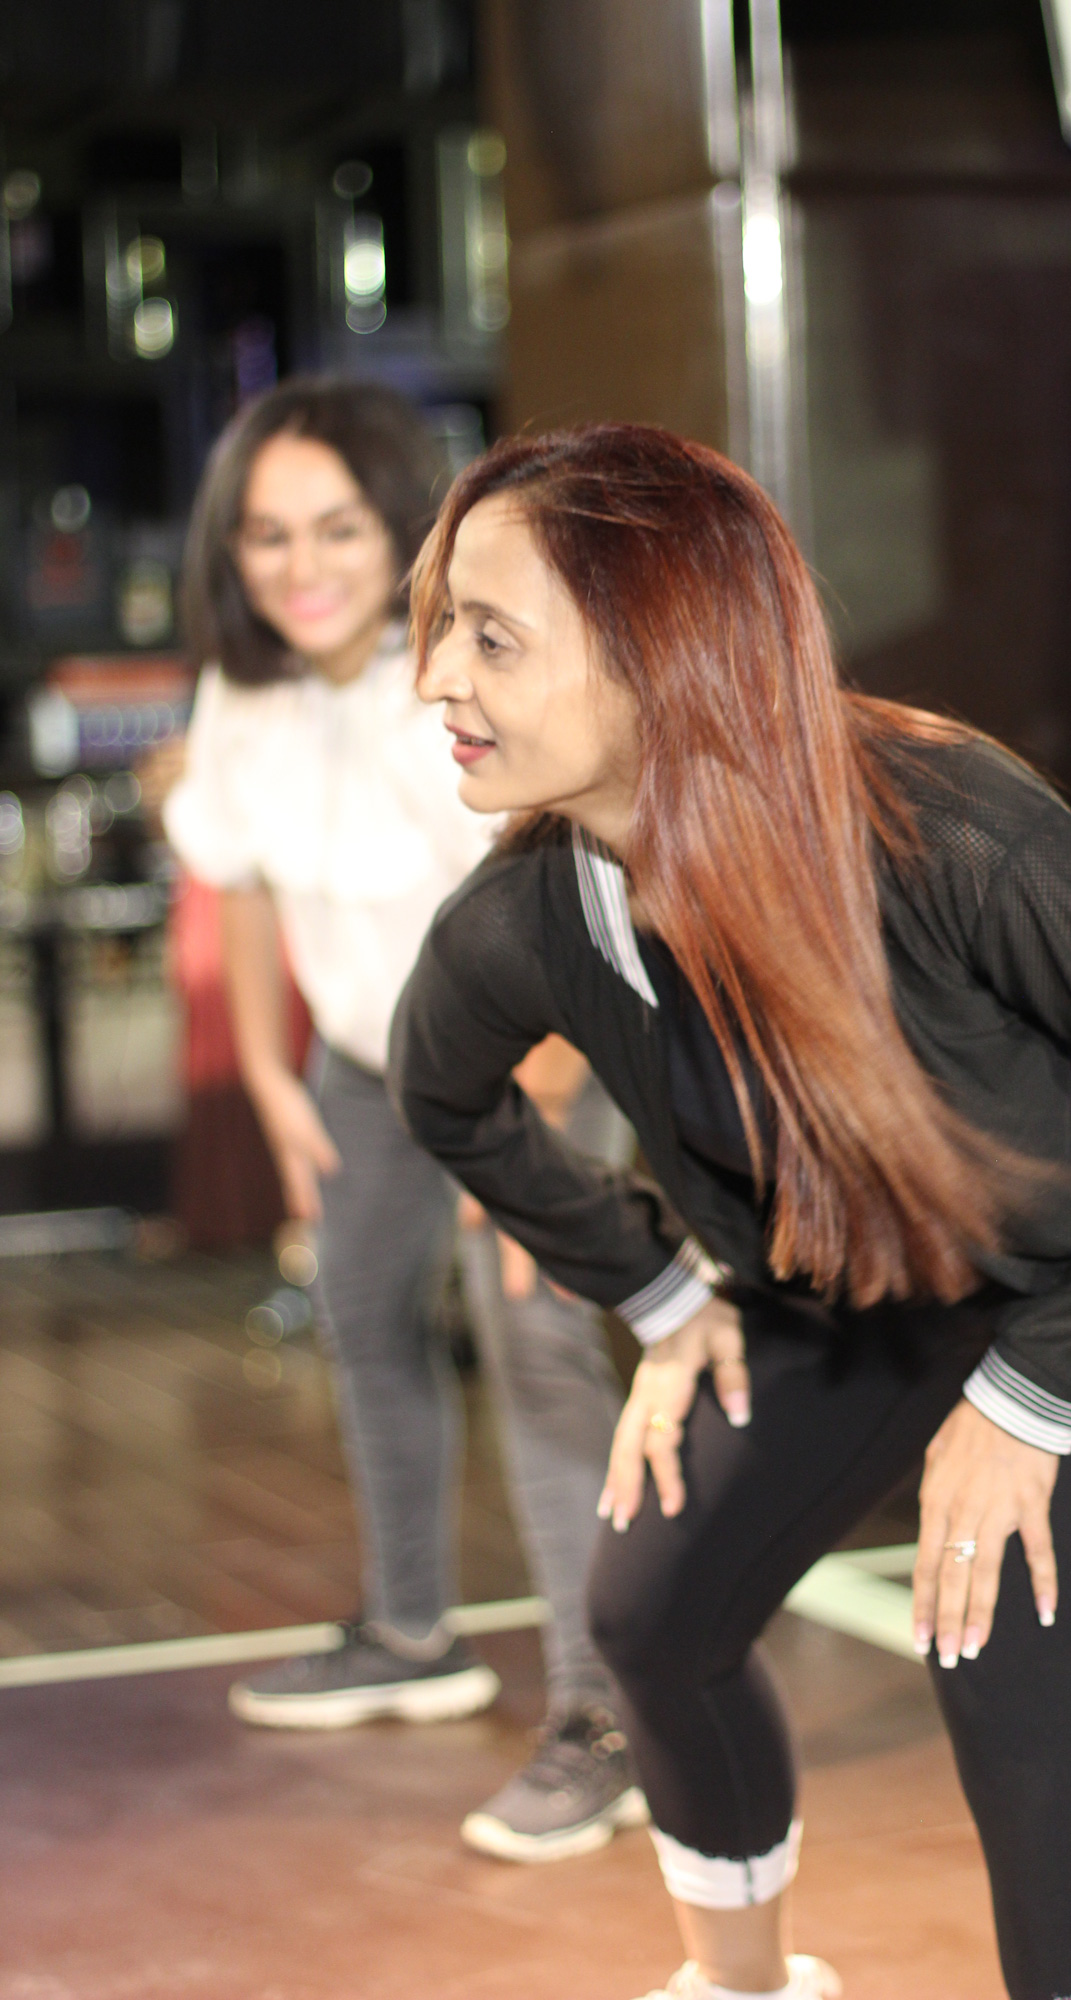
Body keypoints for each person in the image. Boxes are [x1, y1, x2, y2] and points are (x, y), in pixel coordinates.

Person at [388, 423, 1071, 2000]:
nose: (433, 680)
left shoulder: (943, 823)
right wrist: (661, 1299)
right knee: (654, 1609)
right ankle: (745, 1987)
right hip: (869, 1273)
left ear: (657, 655)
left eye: (491, 638)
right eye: (442, 629)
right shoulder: (526, 922)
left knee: (1000, 1654)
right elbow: (443, 1100)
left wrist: (1029, 1396)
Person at [165, 379, 647, 1862]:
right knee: (362, 1314)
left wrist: (522, 1128)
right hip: (367, 1069)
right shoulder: (245, 688)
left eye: (337, 529)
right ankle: (410, 1633)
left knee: (536, 1344)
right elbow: (243, 876)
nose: (300, 564)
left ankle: (606, 1714)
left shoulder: (459, 676)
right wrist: (269, 1075)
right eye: (266, 535)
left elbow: (567, 891)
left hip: (534, 1061)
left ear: (399, 532)